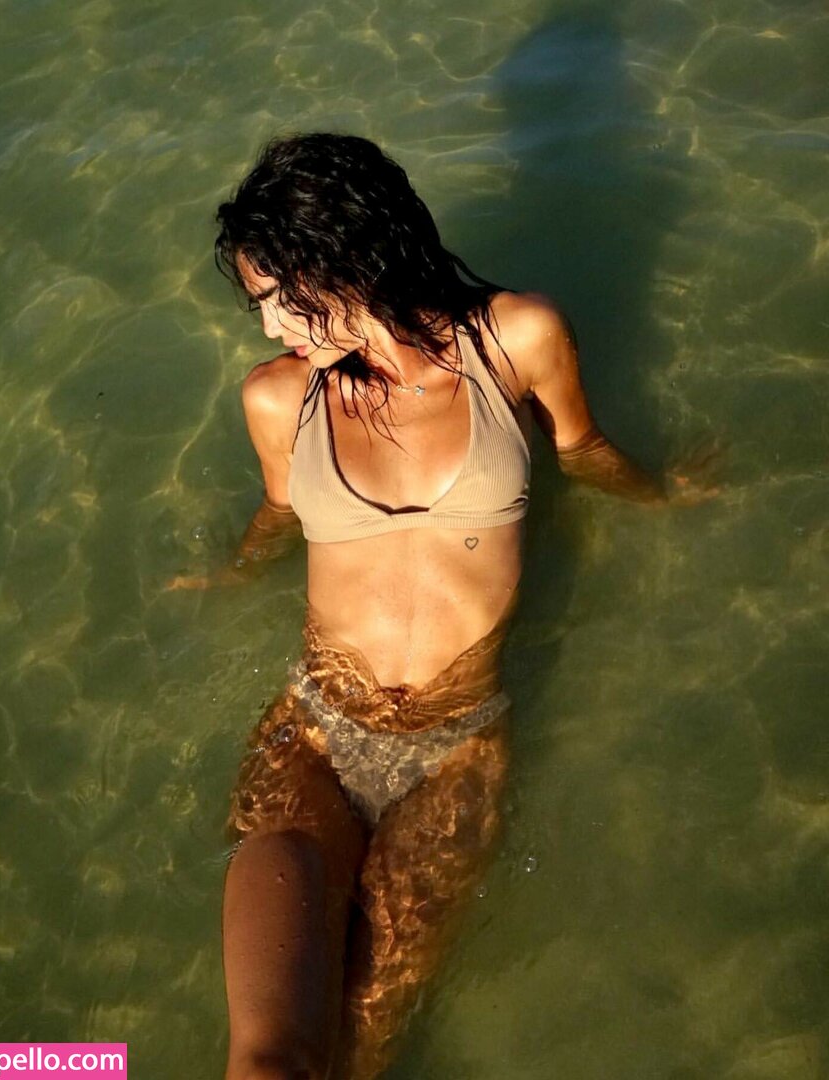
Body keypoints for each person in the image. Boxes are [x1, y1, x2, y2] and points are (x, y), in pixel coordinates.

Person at [177, 133, 700, 1080]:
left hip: (455, 750)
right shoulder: (278, 399)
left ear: (350, 253)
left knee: (361, 1047)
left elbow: (582, 450)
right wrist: (229, 575)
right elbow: (279, 513)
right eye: (259, 304)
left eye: (283, 296)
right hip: (313, 731)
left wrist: (666, 498)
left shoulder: (516, 341)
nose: (271, 326)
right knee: (273, 1057)